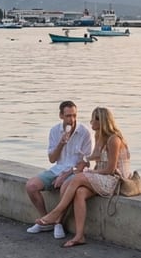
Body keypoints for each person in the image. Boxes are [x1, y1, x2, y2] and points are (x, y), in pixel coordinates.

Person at [34, 106, 131, 248]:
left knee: (78, 178)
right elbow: (92, 156)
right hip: (103, 178)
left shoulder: (113, 139)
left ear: (101, 121)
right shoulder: (100, 137)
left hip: (114, 180)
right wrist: (79, 159)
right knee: (79, 192)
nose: (90, 123)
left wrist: (89, 173)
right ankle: (79, 236)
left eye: (93, 120)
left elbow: (111, 169)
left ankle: (56, 214)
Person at [25, 100, 94, 239]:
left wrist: (66, 174)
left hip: (75, 171)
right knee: (31, 186)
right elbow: (52, 159)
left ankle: (58, 222)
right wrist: (61, 144)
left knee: (65, 187)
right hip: (57, 168)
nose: (72, 119)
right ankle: (45, 220)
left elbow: (86, 163)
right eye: (68, 116)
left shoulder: (84, 132)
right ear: (61, 115)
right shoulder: (55, 131)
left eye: (74, 115)